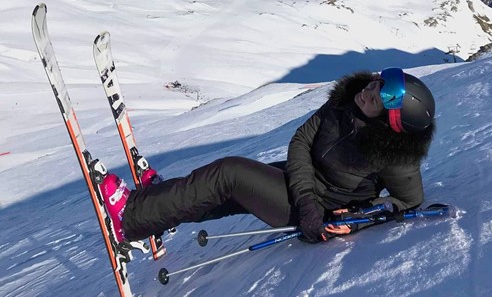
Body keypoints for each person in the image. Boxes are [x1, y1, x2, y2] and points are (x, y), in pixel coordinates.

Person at [101, 67, 436, 244]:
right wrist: (304, 193)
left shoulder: (395, 155)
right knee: (222, 192)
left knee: (229, 173)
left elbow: (408, 202)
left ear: (391, 124)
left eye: (377, 98)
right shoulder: (344, 103)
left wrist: (356, 220)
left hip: (315, 212)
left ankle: (129, 218)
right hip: (302, 188)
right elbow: (302, 140)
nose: (369, 91)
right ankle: (156, 208)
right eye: (377, 84)